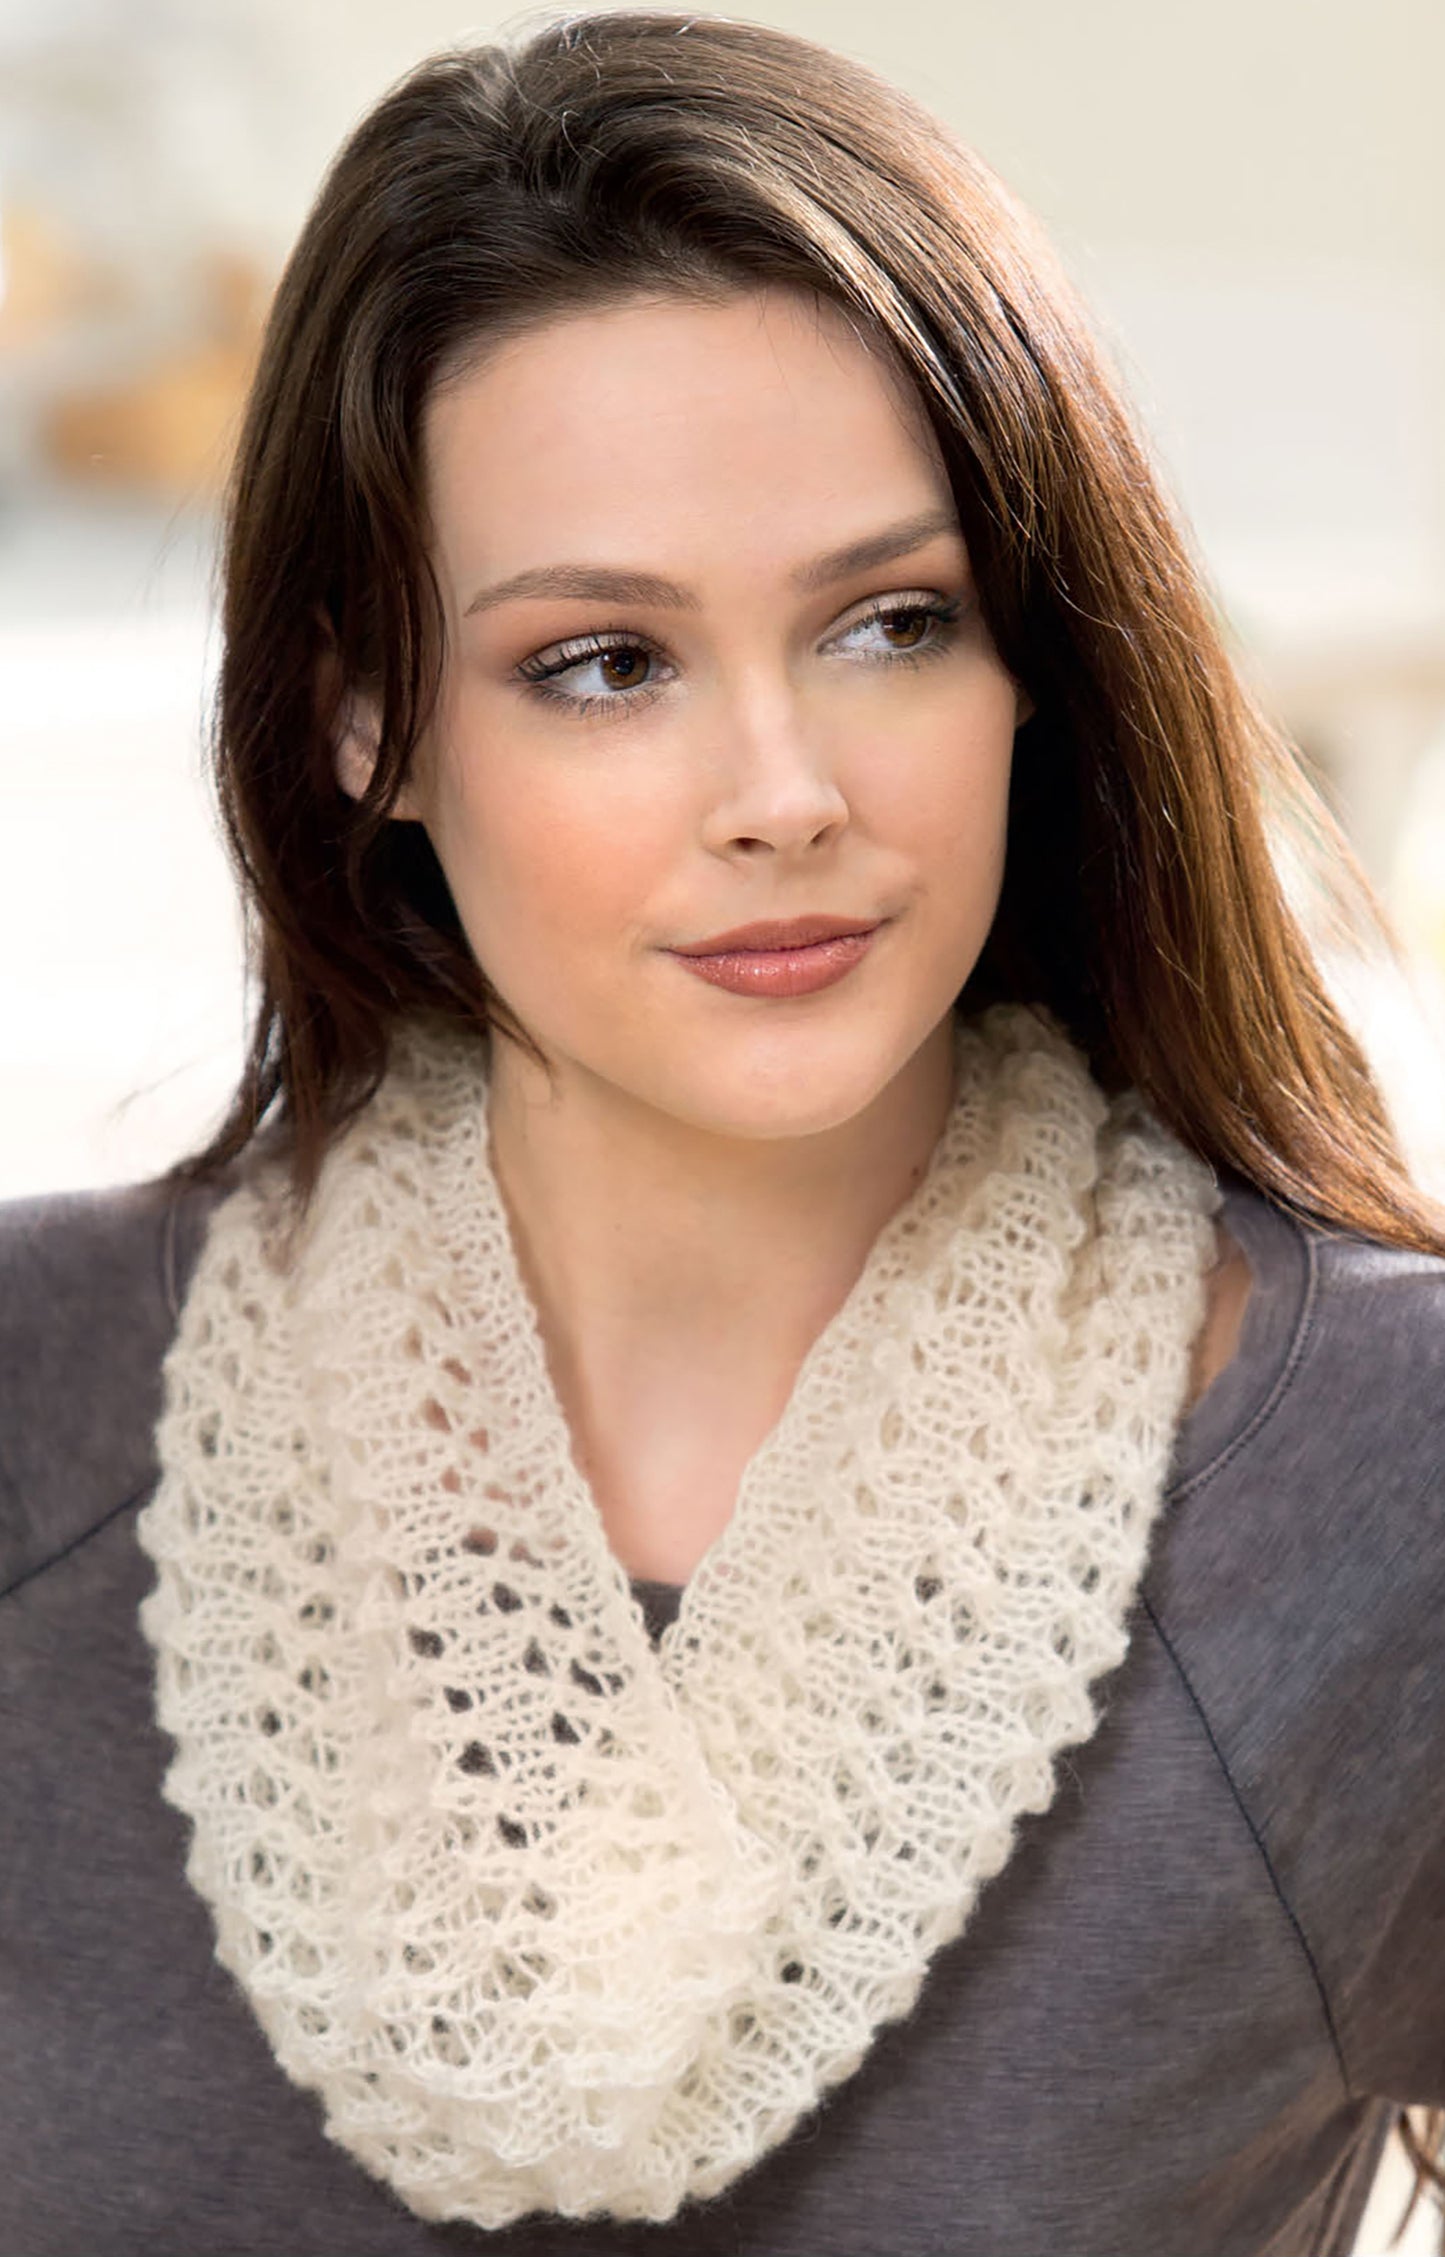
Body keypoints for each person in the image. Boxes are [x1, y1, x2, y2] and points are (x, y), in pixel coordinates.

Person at [2, 10, 1443, 2253]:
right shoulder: (34, 1404)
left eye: (891, 623)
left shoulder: (1381, 1484)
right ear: (365, 714)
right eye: (604, 661)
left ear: (1031, 665)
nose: (784, 793)